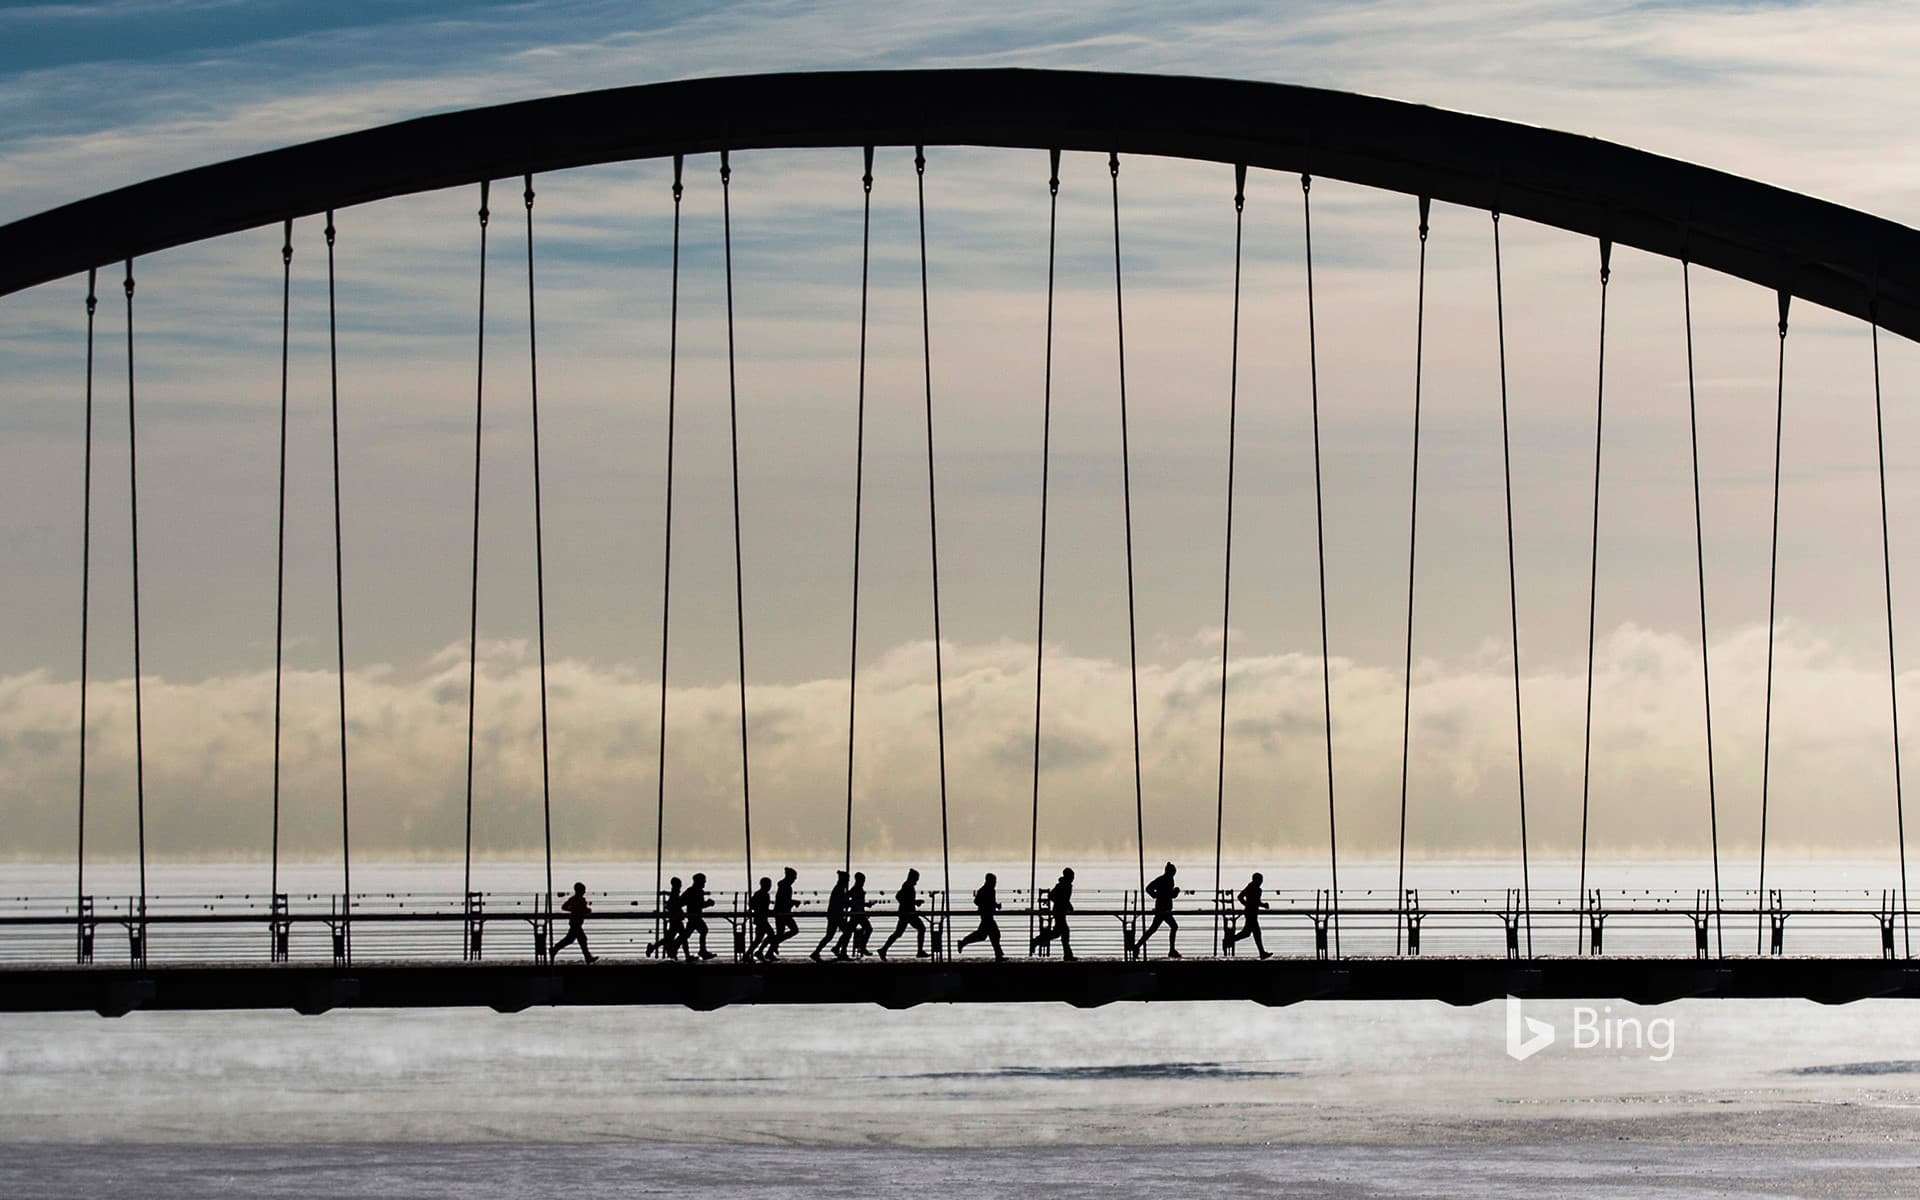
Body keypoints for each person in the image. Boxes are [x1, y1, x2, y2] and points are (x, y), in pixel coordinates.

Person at [879, 868, 929, 959]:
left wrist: (914, 902)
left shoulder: (907, 885)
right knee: (921, 928)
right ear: (913, 878)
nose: (917, 881)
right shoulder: (907, 885)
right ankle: (919, 951)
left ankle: (884, 949)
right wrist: (914, 903)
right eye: (916, 878)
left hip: (907, 912)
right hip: (908, 913)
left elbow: (904, 898)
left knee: (899, 933)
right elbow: (899, 897)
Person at [956, 872, 1005, 961]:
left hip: (987, 916)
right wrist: (989, 905)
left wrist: (995, 905)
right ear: (989, 881)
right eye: (994, 881)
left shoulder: (989, 890)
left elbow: (988, 902)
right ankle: (998, 954)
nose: (995, 883)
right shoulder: (984, 890)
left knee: (983, 935)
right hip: (986, 916)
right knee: (994, 934)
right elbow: (977, 901)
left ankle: (963, 942)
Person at [1030, 867, 1076, 961]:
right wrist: (1064, 904)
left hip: (1059, 911)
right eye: (1072, 876)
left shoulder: (1063, 885)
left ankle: (1037, 941)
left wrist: (1064, 904)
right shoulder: (1064, 885)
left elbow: (1058, 897)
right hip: (1059, 912)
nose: (1073, 878)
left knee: (1058, 933)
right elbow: (1060, 898)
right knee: (1063, 933)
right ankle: (1067, 955)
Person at [1223, 871, 1271, 959]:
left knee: (1247, 933)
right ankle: (1262, 953)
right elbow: (1240, 896)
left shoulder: (1256, 889)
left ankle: (1228, 941)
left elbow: (1255, 902)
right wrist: (1247, 905)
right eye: (1260, 880)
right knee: (1256, 933)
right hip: (1250, 914)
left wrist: (1262, 905)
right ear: (1256, 880)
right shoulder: (1251, 887)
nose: (1261, 882)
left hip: (1252, 913)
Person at [1139, 862, 1182, 958]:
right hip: (1163, 909)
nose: (1173, 874)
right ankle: (1171, 950)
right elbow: (1149, 888)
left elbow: (1170, 895)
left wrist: (1174, 892)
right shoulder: (1164, 880)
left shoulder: (1167, 879)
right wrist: (1156, 895)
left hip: (1164, 909)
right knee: (1173, 927)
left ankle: (1137, 946)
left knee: (1153, 929)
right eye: (1173, 872)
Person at [550, 881, 598, 964]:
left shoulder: (575, 899)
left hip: (575, 922)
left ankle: (555, 949)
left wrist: (575, 910)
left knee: (573, 939)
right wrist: (578, 910)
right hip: (576, 923)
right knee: (580, 939)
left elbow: (566, 907)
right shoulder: (578, 899)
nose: (584, 892)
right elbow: (570, 908)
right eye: (583, 890)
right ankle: (555, 949)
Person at [812, 869, 850, 961]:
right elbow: (841, 903)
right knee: (847, 932)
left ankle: (817, 951)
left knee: (830, 935)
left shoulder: (838, 888)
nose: (848, 882)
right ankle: (841, 951)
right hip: (836, 915)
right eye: (847, 880)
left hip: (834, 915)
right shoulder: (839, 889)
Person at [647, 876, 685, 959]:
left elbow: (672, 905)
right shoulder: (675, 894)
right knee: (682, 936)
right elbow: (676, 905)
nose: (680, 887)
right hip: (676, 920)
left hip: (675, 919)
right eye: (679, 885)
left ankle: (654, 948)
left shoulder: (674, 893)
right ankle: (678, 953)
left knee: (670, 938)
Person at [837, 871, 874, 958]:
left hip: (858, 914)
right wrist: (862, 905)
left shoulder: (857, 888)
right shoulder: (856, 889)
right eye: (863, 880)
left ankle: (838, 947)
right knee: (868, 929)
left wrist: (865, 905)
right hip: (857, 914)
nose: (863, 882)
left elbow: (855, 901)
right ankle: (862, 947)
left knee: (848, 932)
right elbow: (851, 900)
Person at [682, 872, 717, 960]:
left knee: (688, 934)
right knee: (702, 930)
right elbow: (699, 904)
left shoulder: (691, 890)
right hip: (695, 916)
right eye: (703, 882)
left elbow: (682, 901)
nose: (704, 883)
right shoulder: (696, 891)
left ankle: (676, 949)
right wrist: (708, 903)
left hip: (693, 916)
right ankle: (702, 951)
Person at [771, 866, 801, 957]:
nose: (795, 880)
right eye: (794, 877)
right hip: (783, 913)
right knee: (794, 930)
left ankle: (771, 949)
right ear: (790, 877)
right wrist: (794, 902)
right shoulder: (786, 886)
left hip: (781, 912)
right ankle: (773, 943)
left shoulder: (783, 886)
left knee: (780, 933)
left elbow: (782, 900)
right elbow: (784, 900)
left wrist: (792, 902)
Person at [746, 876, 775, 961]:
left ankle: (749, 953)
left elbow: (751, 904)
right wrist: (769, 911)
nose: (769, 886)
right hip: (761, 919)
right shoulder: (764, 895)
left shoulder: (758, 893)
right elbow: (762, 908)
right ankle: (758, 952)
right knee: (770, 934)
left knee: (758, 939)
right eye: (768, 885)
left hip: (760, 919)